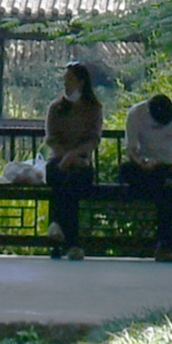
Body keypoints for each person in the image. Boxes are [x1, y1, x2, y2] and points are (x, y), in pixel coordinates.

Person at [120, 91, 172, 261]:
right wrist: (141, 162)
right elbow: (131, 148)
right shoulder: (136, 114)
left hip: (167, 167)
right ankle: (164, 244)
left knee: (165, 189)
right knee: (127, 171)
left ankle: (164, 244)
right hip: (145, 168)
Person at [43, 61, 102, 259]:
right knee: (63, 181)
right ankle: (72, 243)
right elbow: (51, 138)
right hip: (57, 161)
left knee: (72, 184)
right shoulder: (55, 108)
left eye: (70, 80)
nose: (66, 84)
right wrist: (64, 156)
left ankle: (56, 226)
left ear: (81, 82)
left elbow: (94, 138)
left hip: (81, 163)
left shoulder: (93, 108)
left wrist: (75, 155)